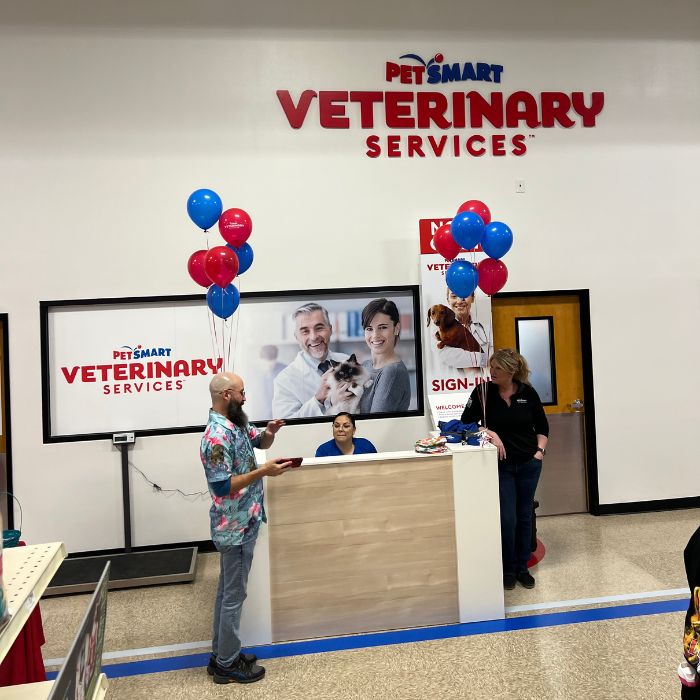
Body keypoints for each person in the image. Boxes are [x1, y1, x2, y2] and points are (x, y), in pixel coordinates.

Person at [201, 371, 292, 684]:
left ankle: (221, 655)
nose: (245, 397)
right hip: (234, 526)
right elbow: (222, 486)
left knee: (228, 592)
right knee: (233, 597)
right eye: (241, 392)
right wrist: (263, 471)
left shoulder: (236, 422)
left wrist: (270, 432)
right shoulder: (215, 436)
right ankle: (227, 664)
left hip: (246, 519)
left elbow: (259, 441)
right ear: (226, 394)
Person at [460, 349, 549, 591]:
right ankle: (508, 568)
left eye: (498, 368)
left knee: (524, 516)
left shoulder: (527, 393)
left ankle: (522, 567)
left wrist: (539, 452)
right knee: (507, 518)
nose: (492, 371)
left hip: (529, 464)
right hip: (501, 467)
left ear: (511, 371)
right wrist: (490, 433)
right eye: (491, 367)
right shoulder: (482, 392)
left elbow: (542, 427)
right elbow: (464, 423)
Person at [272, 303, 350, 419]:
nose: (313, 337)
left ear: (330, 329)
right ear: (296, 336)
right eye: (305, 331)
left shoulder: (346, 360)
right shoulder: (284, 380)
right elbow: (284, 427)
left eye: (319, 328)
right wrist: (318, 399)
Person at [358, 298, 411, 414]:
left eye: (383, 327)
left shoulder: (393, 372)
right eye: (369, 329)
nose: (375, 335)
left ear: (396, 328)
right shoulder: (365, 365)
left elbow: (375, 425)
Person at [436, 290, 490, 369]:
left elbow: (495, 359)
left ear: (473, 298)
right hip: (454, 381)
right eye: (454, 296)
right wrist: (485, 359)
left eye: (465, 295)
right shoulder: (437, 333)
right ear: (448, 300)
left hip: (485, 380)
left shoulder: (486, 330)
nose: (459, 301)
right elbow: (452, 357)